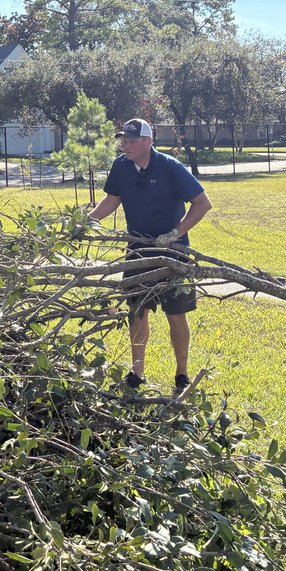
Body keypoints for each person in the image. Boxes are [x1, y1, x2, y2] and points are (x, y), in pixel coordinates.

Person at [88, 119, 212, 393]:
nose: (126, 145)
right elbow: (113, 198)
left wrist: (174, 233)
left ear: (148, 142)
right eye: (124, 140)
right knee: (137, 312)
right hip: (137, 251)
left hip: (173, 253)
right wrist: (90, 219)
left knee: (176, 314)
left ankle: (182, 375)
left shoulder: (169, 166)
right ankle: (137, 372)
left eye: (132, 141)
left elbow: (203, 203)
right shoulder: (121, 165)